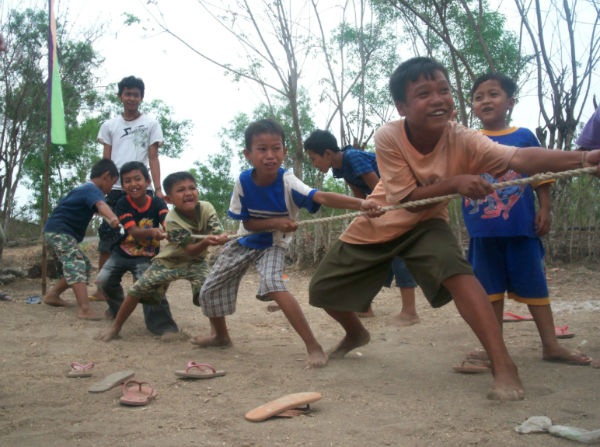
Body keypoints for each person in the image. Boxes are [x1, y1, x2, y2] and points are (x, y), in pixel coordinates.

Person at [308, 57, 600, 400]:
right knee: (322, 289)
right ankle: (356, 333)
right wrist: (457, 182)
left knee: (460, 275)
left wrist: (583, 159)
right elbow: (404, 197)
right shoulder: (388, 135)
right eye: (424, 93)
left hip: (427, 223)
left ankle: (504, 365)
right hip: (381, 221)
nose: (438, 98)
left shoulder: (464, 138)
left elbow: (519, 158)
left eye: (444, 90)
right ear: (402, 106)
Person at [195, 119, 382, 368]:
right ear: (248, 154)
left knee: (274, 283)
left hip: (273, 244)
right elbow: (248, 224)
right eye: (262, 149)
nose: (270, 155)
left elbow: (321, 196)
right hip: (245, 241)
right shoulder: (243, 181)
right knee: (210, 288)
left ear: (284, 152)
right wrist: (276, 221)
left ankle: (313, 346)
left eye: (276, 148)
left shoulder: (288, 181)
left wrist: (361, 204)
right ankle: (220, 336)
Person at [458, 72, 590, 369]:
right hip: (483, 231)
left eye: (493, 94)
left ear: (510, 102)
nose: (485, 101)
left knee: (535, 285)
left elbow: (541, 175)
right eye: (478, 97)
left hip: (521, 228)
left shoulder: (524, 136)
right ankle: (496, 349)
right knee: (489, 291)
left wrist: (545, 208)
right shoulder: (466, 140)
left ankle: (551, 344)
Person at [304, 129, 420, 325]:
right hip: (381, 204)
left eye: (314, 159)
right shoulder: (340, 169)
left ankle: (410, 311)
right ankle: (365, 307)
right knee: (371, 254)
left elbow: (379, 188)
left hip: (397, 200)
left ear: (328, 154)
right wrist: (363, 215)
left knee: (399, 253)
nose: (314, 164)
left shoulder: (353, 157)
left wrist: (377, 211)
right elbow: (360, 197)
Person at [96, 171, 229, 341]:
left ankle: (220, 336)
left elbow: (217, 230)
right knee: (137, 290)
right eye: (180, 190)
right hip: (169, 261)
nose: (188, 193)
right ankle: (115, 328)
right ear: (169, 199)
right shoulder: (172, 221)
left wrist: (219, 236)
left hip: (197, 262)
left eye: (192, 188)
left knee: (209, 292)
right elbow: (189, 249)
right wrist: (206, 243)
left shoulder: (206, 207)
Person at [92, 75, 165, 301]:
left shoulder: (151, 124)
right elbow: (106, 159)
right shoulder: (109, 125)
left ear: (141, 97)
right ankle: (101, 289)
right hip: (114, 188)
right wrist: (99, 190)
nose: (131, 98)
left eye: (135, 94)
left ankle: (144, 286)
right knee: (108, 236)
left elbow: (153, 157)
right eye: (127, 94)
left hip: (141, 188)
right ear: (120, 96)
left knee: (146, 239)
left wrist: (158, 188)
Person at [96, 161, 178, 336]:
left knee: (149, 285)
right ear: (123, 185)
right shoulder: (122, 204)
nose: (133, 184)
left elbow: (168, 222)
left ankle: (163, 327)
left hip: (146, 256)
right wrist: (153, 232)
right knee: (103, 280)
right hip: (121, 253)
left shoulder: (157, 203)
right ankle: (118, 310)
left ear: (147, 182)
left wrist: (172, 231)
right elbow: (133, 231)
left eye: (137, 179)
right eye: (127, 181)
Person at [42, 159, 120, 320]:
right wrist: (112, 218)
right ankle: (84, 309)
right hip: (60, 231)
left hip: (57, 231)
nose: (111, 189)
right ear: (106, 176)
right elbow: (101, 205)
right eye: (112, 183)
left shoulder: (84, 190)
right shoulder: (93, 189)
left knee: (83, 265)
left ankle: (53, 295)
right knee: (75, 261)